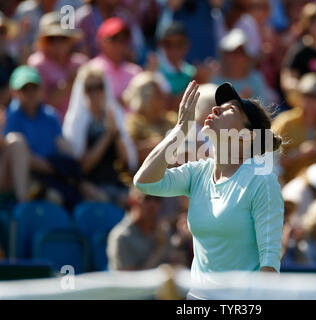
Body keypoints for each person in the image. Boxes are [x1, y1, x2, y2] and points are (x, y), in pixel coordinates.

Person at [133, 80, 284, 299]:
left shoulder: (262, 181)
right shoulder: (198, 173)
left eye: (230, 109)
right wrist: (179, 130)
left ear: (248, 135)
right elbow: (144, 182)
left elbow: (269, 266)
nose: (216, 108)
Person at [3, 65, 81, 209]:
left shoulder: (50, 115)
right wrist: (54, 167)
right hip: (27, 176)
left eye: (34, 88)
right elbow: (16, 154)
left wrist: (68, 167)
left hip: (51, 174)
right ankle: (23, 202)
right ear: (14, 92)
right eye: (25, 89)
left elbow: (63, 147)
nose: (30, 93)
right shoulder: (10, 116)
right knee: (53, 199)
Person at [63, 63, 137, 207]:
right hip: (90, 187)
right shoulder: (77, 122)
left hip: (117, 184)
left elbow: (127, 162)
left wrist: (115, 133)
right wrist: (108, 135)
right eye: (90, 88)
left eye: (99, 87)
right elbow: (83, 166)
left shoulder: (114, 115)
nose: (95, 93)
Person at [272, 73, 316, 184]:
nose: (313, 102)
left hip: (315, 187)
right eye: (308, 96)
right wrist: (298, 154)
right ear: (300, 98)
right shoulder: (285, 122)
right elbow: (266, 160)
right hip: (283, 184)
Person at [27, 11, 87, 121]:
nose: (57, 44)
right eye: (52, 39)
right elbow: (41, 104)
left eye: (62, 38)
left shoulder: (80, 62)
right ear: (43, 42)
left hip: (80, 127)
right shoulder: (37, 64)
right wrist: (69, 83)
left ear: (70, 41)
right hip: (49, 128)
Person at [107, 186, 169, 270]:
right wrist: (159, 251)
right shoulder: (121, 237)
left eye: (157, 199)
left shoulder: (163, 230)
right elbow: (128, 280)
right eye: (147, 198)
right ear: (132, 201)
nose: (153, 204)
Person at [123, 71, 176, 162]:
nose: (163, 98)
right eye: (158, 94)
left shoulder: (172, 119)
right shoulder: (132, 123)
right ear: (144, 98)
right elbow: (130, 154)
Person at [89, 17, 142, 106]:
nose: (119, 44)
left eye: (122, 40)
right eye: (114, 39)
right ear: (101, 41)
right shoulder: (92, 71)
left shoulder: (135, 72)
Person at [211, 28, 270, 105]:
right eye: (230, 52)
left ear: (247, 56)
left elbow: (262, 110)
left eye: (239, 52)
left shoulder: (257, 79)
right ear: (223, 55)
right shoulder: (213, 80)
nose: (235, 57)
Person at [156, 22, 196, 110]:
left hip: (188, 123)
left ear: (187, 45)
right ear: (160, 45)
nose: (173, 49)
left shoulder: (193, 71)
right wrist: (198, 82)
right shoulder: (155, 72)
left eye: (179, 44)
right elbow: (168, 108)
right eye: (168, 44)